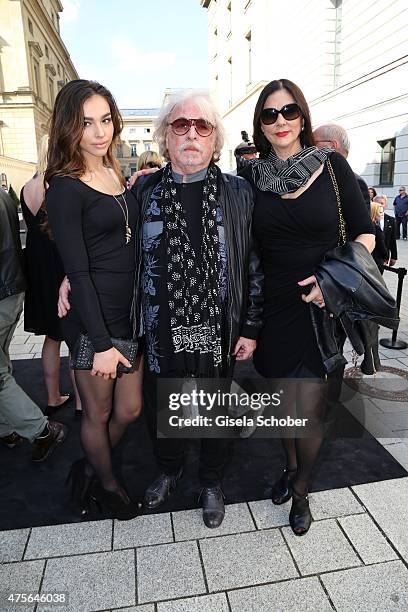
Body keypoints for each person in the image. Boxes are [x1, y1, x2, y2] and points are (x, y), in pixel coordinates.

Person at [240, 79, 374, 535]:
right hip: (273, 307)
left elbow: (365, 232)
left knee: (311, 406)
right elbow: (244, 250)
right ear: (260, 123)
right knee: (283, 400)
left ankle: (301, 490)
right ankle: (289, 466)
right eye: (270, 114)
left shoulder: (331, 165)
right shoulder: (250, 179)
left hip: (324, 306)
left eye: (289, 111)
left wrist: (331, 281)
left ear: (304, 116)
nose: (281, 122)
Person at [132, 90, 263, 528]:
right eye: (180, 126)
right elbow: (113, 252)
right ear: (166, 138)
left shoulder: (238, 192)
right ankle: (169, 470)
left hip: (215, 324)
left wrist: (250, 325)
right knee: (164, 403)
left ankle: (211, 480)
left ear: (214, 140)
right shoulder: (145, 190)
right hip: (162, 325)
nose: (191, 134)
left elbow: (255, 263)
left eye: (202, 126)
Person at [45, 80, 143, 520]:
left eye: (105, 120)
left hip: (129, 316)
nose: (99, 132)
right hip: (92, 324)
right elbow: (79, 269)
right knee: (97, 415)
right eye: (86, 123)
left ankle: (89, 466)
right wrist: (100, 344)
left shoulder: (114, 173)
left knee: (131, 408)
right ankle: (106, 485)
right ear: (70, 127)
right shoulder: (64, 187)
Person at [0, 187, 68, 460]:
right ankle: (7, 428)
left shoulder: (27, 188)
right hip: (15, 287)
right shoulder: (4, 195)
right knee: (2, 365)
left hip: (13, 285)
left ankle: (41, 430)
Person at [21, 135, 81, 415]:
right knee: (73, 336)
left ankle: (53, 397)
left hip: (35, 264)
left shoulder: (26, 187)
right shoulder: (57, 184)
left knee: (51, 337)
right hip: (58, 263)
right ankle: (82, 401)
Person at [313, 123, 371, 211]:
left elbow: (358, 222)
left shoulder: (355, 182)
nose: (310, 149)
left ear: (332, 146)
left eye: (314, 143)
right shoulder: (314, 176)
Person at [373, 194, 397, 268]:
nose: (379, 205)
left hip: (383, 256)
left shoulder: (391, 220)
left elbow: (392, 239)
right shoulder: (369, 219)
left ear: (386, 205)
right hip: (371, 255)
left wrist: (394, 256)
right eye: (377, 203)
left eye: (382, 203)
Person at [370, 202, 388, 274]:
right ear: (374, 213)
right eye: (380, 212)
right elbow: (381, 245)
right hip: (376, 260)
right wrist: (386, 257)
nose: (383, 214)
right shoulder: (376, 228)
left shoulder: (368, 226)